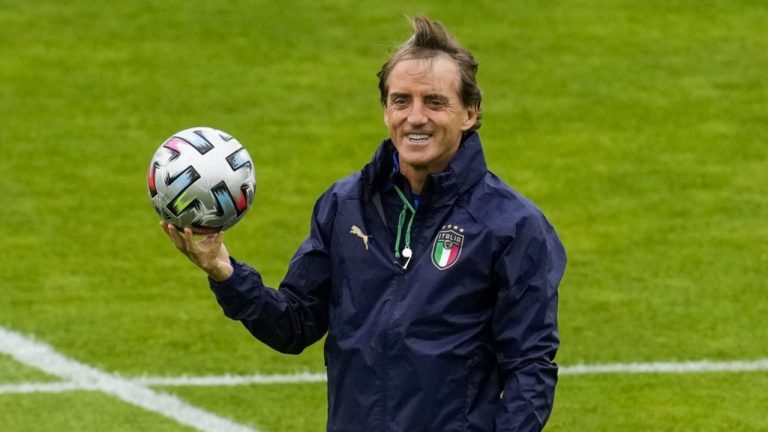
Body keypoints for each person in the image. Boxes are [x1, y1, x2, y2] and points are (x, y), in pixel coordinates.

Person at [162, 15, 566, 432]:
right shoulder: (346, 206)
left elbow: (531, 369)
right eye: (401, 101)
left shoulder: (511, 226)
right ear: (386, 110)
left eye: (434, 102)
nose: (415, 117)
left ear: (469, 113)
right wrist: (225, 272)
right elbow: (294, 325)